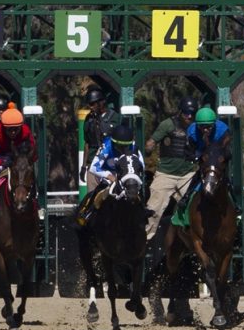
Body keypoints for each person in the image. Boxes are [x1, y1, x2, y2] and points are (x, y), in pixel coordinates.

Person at [142, 96, 198, 241]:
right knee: (153, 209)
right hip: (165, 174)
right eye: (186, 113)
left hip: (188, 175)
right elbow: (152, 142)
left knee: (194, 207)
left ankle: (192, 239)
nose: (189, 116)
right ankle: (143, 240)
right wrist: (148, 148)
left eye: (192, 113)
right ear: (180, 111)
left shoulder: (197, 127)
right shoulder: (167, 124)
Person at [77, 124, 144, 226]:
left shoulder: (134, 146)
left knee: (139, 193)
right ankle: (87, 212)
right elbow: (94, 167)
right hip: (108, 177)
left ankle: (144, 212)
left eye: (125, 146)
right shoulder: (107, 145)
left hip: (127, 178)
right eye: (120, 146)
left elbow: (141, 165)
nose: (123, 149)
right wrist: (110, 177)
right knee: (97, 192)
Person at [81, 87, 118, 185]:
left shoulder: (115, 117)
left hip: (111, 163)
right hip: (93, 164)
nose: (90, 107)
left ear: (101, 102)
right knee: (92, 197)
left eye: (92, 104)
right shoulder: (88, 119)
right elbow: (87, 143)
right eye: (89, 104)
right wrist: (84, 166)